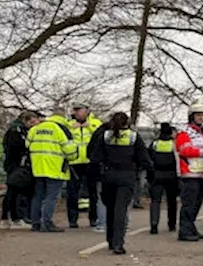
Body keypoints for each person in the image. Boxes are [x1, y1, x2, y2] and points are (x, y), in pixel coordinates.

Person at [88, 112, 149, 255]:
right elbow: (143, 158)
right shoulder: (133, 136)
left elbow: (94, 157)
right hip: (127, 176)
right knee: (121, 210)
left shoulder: (105, 136)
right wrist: (149, 173)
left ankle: (110, 239)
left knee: (110, 208)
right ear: (127, 123)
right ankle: (118, 243)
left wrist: (94, 175)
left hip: (108, 176)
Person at [27, 111, 78, 232]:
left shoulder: (35, 129)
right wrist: (73, 156)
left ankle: (35, 223)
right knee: (51, 197)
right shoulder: (60, 129)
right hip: (55, 167)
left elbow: (27, 144)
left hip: (38, 168)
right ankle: (47, 223)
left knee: (38, 195)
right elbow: (69, 150)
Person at [175, 102, 203, 242]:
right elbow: (184, 150)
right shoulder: (184, 132)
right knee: (189, 204)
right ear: (192, 116)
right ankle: (184, 231)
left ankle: (191, 227)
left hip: (201, 173)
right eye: (198, 115)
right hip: (189, 173)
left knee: (197, 203)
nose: (201, 118)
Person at [61, 101, 102, 229]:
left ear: (87, 110)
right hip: (74, 162)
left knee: (93, 192)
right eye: (75, 110)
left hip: (91, 162)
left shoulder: (96, 123)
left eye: (80, 109)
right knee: (72, 192)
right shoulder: (68, 124)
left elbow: (100, 136)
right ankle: (72, 219)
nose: (77, 112)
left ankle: (93, 218)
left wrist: (88, 126)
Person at [1, 111, 39, 229]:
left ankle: (7, 218)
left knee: (13, 192)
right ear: (25, 121)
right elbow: (16, 147)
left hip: (16, 165)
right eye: (32, 122)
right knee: (14, 192)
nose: (34, 125)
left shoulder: (19, 130)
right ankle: (14, 218)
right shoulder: (16, 131)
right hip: (16, 165)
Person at [147, 122, 179, 235]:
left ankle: (154, 224)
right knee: (171, 201)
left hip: (157, 175)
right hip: (171, 176)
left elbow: (149, 159)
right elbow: (178, 161)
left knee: (155, 201)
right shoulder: (174, 144)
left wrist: (150, 176)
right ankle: (172, 224)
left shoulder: (155, 144)